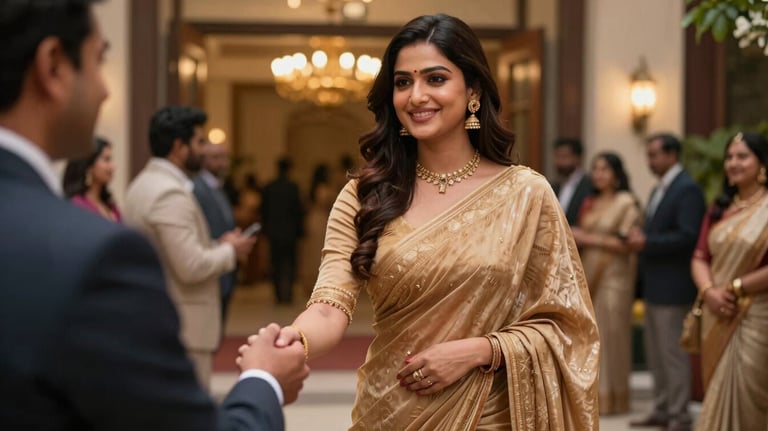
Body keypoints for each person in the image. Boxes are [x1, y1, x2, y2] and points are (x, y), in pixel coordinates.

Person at [267, 14, 599, 429]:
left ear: (472, 90)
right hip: (389, 408)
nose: (416, 96)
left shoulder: (525, 194)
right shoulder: (364, 195)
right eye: (403, 82)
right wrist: (294, 340)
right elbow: (329, 306)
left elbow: (569, 325)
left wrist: (482, 350)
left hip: (488, 414)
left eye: (435, 79)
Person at [0, 1, 308, 429]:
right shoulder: (91, 254)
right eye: (98, 60)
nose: (106, 90)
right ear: (53, 66)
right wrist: (264, 380)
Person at [123, 105, 257, 389]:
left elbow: (170, 250)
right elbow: (191, 266)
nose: (205, 150)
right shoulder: (168, 193)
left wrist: (216, 244)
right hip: (183, 326)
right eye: (200, 142)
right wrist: (231, 252)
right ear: (179, 147)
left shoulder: (145, 183)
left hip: (162, 319)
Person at [626, 134, 706, 431]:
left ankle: (679, 416)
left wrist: (648, 241)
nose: (650, 161)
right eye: (648, 155)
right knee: (656, 354)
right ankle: (661, 409)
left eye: (655, 155)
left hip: (675, 286)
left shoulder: (687, 189)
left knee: (673, 355)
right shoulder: (662, 188)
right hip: (655, 285)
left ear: (672, 155)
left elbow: (688, 236)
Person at [690, 132, 768, 430]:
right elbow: (699, 257)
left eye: (743, 156)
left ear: (762, 163)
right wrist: (709, 291)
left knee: (750, 390)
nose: (733, 163)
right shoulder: (719, 208)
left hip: (756, 315)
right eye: (730, 157)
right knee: (716, 388)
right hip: (716, 311)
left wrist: (736, 288)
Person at [571, 151, 641, 415]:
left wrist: (586, 238)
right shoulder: (592, 202)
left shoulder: (626, 203)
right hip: (589, 275)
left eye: (604, 169)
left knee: (612, 336)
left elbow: (626, 244)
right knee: (592, 336)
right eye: (595, 169)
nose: (599, 174)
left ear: (617, 174)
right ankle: (594, 398)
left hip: (616, 278)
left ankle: (616, 399)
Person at [193, 142, 238, 324]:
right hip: (210, 261)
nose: (222, 163)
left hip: (223, 263)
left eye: (224, 157)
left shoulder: (217, 186)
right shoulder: (198, 188)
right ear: (203, 160)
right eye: (216, 158)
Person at [261, 157, 304, 304]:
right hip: (290, 232)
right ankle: (288, 294)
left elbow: (264, 211)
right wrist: (300, 231)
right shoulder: (293, 187)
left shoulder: (269, 187)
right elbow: (298, 211)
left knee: (276, 264)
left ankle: (278, 294)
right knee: (290, 264)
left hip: (274, 231)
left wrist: (265, 229)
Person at [62, 136, 121, 222]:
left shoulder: (110, 206)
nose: (113, 167)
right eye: (106, 160)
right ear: (89, 165)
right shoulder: (77, 205)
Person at [300, 163, 335, 296]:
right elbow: (324, 202)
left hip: (313, 218)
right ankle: (316, 282)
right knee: (317, 252)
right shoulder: (322, 188)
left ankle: (312, 282)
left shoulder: (312, 187)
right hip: (320, 219)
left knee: (313, 252)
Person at [552, 137, 593, 225]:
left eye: (565, 157)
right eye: (557, 156)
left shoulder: (590, 185)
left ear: (578, 158)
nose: (560, 162)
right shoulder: (553, 186)